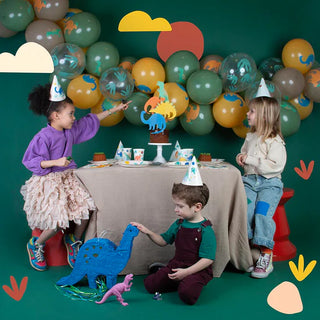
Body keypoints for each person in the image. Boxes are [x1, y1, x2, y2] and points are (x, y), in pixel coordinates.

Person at [21, 76, 130, 271]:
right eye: (71, 114)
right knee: (57, 221)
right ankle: (36, 244)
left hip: (69, 178)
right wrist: (56, 162)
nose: (74, 118)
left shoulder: (69, 130)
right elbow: (31, 160)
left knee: (86, 210)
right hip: (49, 180)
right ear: (55, 116)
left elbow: (91, 120)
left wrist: (114, 110)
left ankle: (74, 240)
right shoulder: (43, 137)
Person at [132, 157, 216, 305]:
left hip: (196, 270)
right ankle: (175, 278)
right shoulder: (179, 224)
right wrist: (147, 231)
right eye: (175, 205)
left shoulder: (206, 230)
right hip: (177, 265)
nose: (175, 210)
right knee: (150, 285)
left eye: (180, 206)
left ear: (197, 207)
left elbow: (207, 259)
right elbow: (163, 241)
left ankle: (187, 282)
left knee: (187, 295)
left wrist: (186, 272)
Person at [236, 81, 286, 279]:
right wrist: (241, 158)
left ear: (264, 116)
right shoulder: (251, 136)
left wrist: (251, 160)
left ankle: (266, 255)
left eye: (252, 112)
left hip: (269, 184)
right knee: (245, 211)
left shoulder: (275, 141)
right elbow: (244, 154)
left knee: (262, 214)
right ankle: (250, 253)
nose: (248, 115)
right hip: (249, 181)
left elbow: (276, 166)